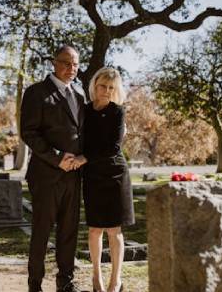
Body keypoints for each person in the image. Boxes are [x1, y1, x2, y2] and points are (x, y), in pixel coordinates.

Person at [21, 45, 85, 292]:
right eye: (66, 63)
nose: (72, 68)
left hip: (73, 174)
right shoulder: (36, 92)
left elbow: (82, 134)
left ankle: (66, 282)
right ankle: (35, 284)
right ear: (54, 63)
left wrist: (81, 159)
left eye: (76, 64)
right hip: (46, 174)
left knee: (69, 231)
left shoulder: (80, 93)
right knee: (41, 231)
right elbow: (29, 132)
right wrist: (58, 157)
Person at [72, 67, 135, 292]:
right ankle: (96, 278)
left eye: (111, 87)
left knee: (114, 230)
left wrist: (84, 157)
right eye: (102, 86)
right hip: (92, 175)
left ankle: (115, 280)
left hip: (115, 173)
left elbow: (112, 147)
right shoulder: (84, 110)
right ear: (94, 86)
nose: (106, 91)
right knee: (94, 229)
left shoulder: (118, 112)